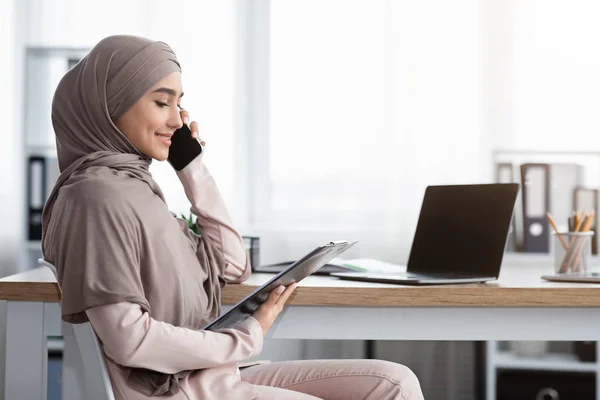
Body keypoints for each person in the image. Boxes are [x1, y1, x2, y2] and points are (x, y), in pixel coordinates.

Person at [41, 34, 424, 400]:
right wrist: (246, 336)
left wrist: (191, 168)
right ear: (110, 106)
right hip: (179, 390)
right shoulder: (96, 197)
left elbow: (232, 264)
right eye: (162, 103)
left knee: (395, 384)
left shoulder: (136, 189)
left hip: (212, 376)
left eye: (179, 104)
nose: (177, 120)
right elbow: (130, 340)